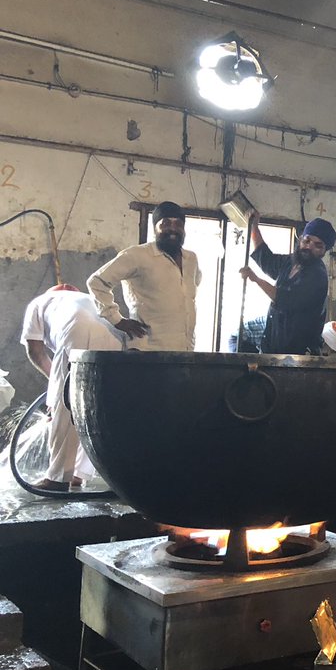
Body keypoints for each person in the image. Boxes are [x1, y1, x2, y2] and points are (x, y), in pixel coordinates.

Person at [19, 284, 123, 491]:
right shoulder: (87, 299)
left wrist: (56, 388)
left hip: (76, 335)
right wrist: (57, 384)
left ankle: (58, 478)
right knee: (93, 410)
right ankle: (79, 474)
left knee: (66, 407)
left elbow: (35, 350)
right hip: (116, 341)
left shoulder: (40, 302)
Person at [87, 201, 201, 350]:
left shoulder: (191, 259)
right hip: (147, 351)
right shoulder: (137, 255)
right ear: (155, 229)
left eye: (178, 224)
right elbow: (97, 282)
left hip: (184, 351)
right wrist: (117, 320)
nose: (173, 229)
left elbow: (191, 290)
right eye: (165, 224)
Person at [239, 212, 334, 355]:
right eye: (307, 241)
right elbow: (266, 260)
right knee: (238, 336)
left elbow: (284, 299)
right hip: (275, 338)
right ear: (300, 239)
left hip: (297, 350)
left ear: (324, 251)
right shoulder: (292, 261)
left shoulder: (317, 276)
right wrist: (254, 227)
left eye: (317, 245)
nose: (309, 247)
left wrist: (256, 279)